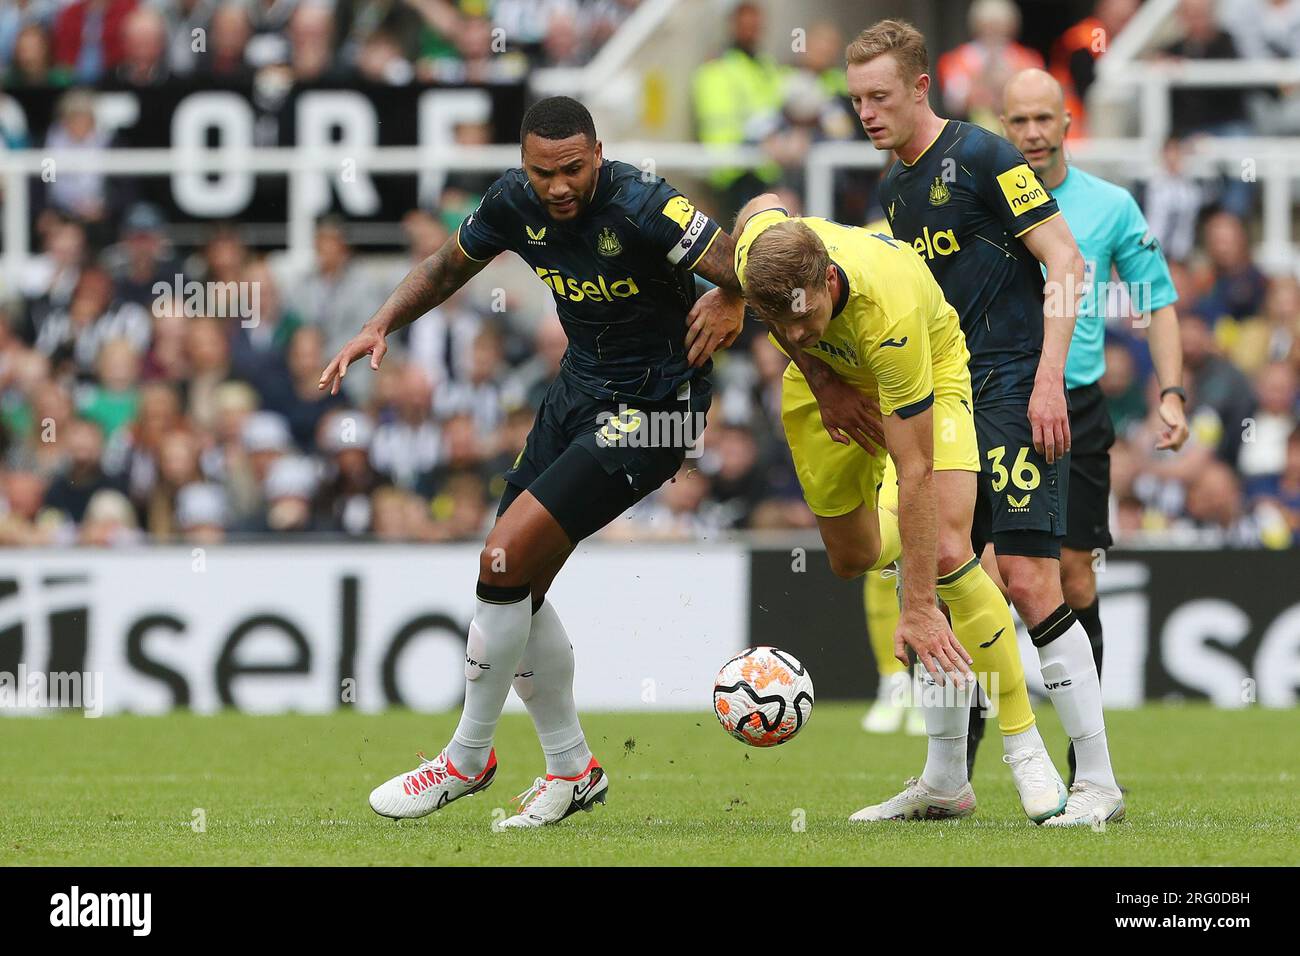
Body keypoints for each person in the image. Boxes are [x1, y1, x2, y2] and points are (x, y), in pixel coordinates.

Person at [320, 96, 745, 828]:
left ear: (599, 155)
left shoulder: (643, 201)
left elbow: (740, 256)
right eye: (542, 171)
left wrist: (734, 293)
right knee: (514, 589)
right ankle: (572, 768)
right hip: (576, 394)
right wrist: (380, 322)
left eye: (573, 169)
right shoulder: (512, 203)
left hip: (656, 408)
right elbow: (449, 265)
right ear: (524, 166)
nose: (558, 187)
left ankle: (466, 757)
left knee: (500, 562)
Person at [847, 19, 1123, 826]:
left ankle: (1098, 782)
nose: (866, 113)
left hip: (1010, 389)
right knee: (928, 567)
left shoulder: (984, 156)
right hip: (943, 400)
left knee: (1034, 580)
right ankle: (944, 780)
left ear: (921, 87)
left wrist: (1047, 381)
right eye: (857, 99)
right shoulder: (894, 192)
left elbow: (1067, 261)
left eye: (881, 97)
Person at [724, 197, 1069, 823]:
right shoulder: (764, 260)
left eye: (805, 320)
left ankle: (1025, 748)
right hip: (822, 383)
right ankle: (944, 785)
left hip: (924, 369)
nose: (794, 334)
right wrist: (817, 371)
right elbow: (760, 206)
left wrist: (916, 609)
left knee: (942, 551)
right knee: (851, 557)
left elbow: (917, 471)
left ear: (829, 279)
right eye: (780, 327)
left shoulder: (889, 310)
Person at [997, 68, 1188, 784]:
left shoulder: (1109, 206)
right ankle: (960, 766)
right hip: (991, 402)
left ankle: (1088, 767)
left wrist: (1170, 391)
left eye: (1045, 119)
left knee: (1074, 578)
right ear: (1003, 125)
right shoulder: (982, 203)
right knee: (984, 580)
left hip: (1074, 407)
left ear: (1067, 122)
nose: (1034, 134)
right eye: (1019, 122)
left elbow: (1158, 301)